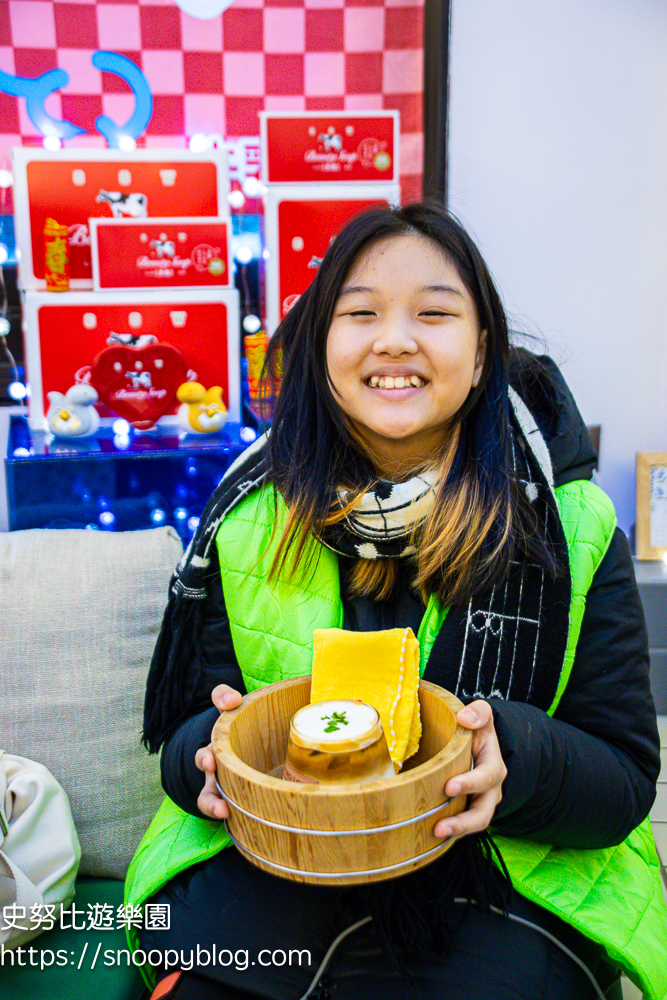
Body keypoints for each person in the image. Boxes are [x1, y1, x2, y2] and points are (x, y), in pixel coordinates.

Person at [127, 203, 667, 1000]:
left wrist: (509, 759)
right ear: (321, 349)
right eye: (360, 313)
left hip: (500, 877)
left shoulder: (571, 525)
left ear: (480, 355)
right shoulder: (246, 521)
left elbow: (620, 781)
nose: (394, 340)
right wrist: (211, 759)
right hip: (279, 861)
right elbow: (184, 734)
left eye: (434, 313)